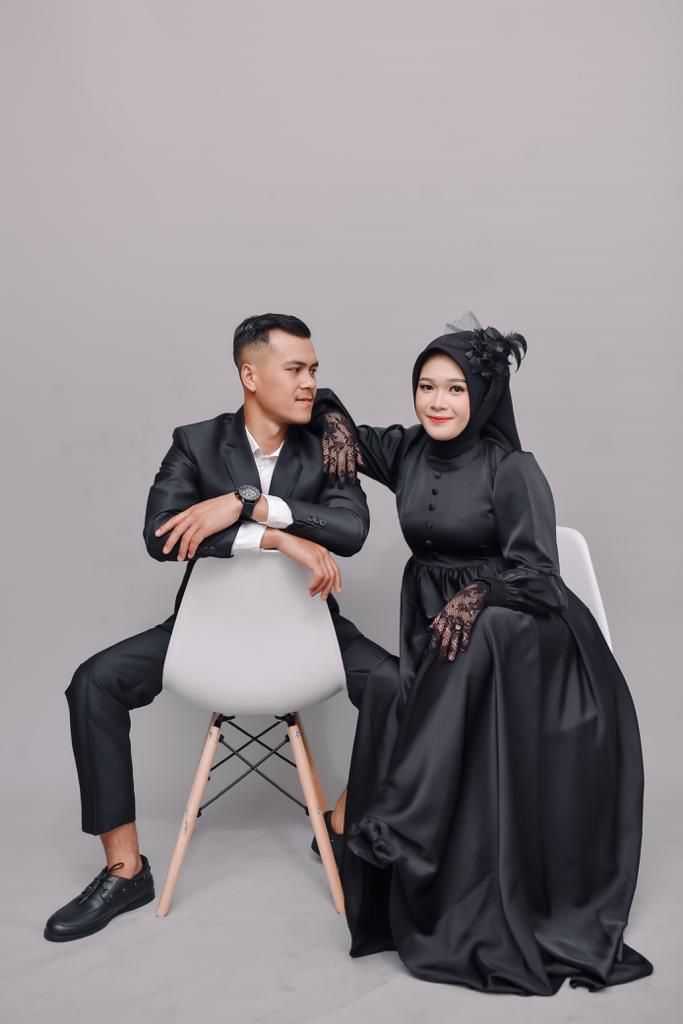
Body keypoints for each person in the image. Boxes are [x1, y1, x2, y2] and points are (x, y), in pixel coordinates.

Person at [311, 313, 653, 994]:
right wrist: (333, 423)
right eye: (426, 387)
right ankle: (380, 825)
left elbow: (539, 574)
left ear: (482, 397)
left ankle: (403, 819)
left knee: (486, 628)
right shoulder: (406, 450)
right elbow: (325, 405)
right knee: (392, 683)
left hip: (527, 630)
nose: (436, 402)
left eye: (455, 389)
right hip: (441, 633)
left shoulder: (512, 469)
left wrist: (478, 593)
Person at [44, 312, 387, 942]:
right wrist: (277, 539)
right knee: (93, 683)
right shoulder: (196, 443)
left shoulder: (327, 442)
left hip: (310, 633)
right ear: (250, 375)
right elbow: (160, 535)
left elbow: (352, 530)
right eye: (295, 369)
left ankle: (340, 830)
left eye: (314, 369)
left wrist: (246, 503)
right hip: (204, 636)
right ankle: (124, 870)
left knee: (406, 687)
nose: (310, 382)